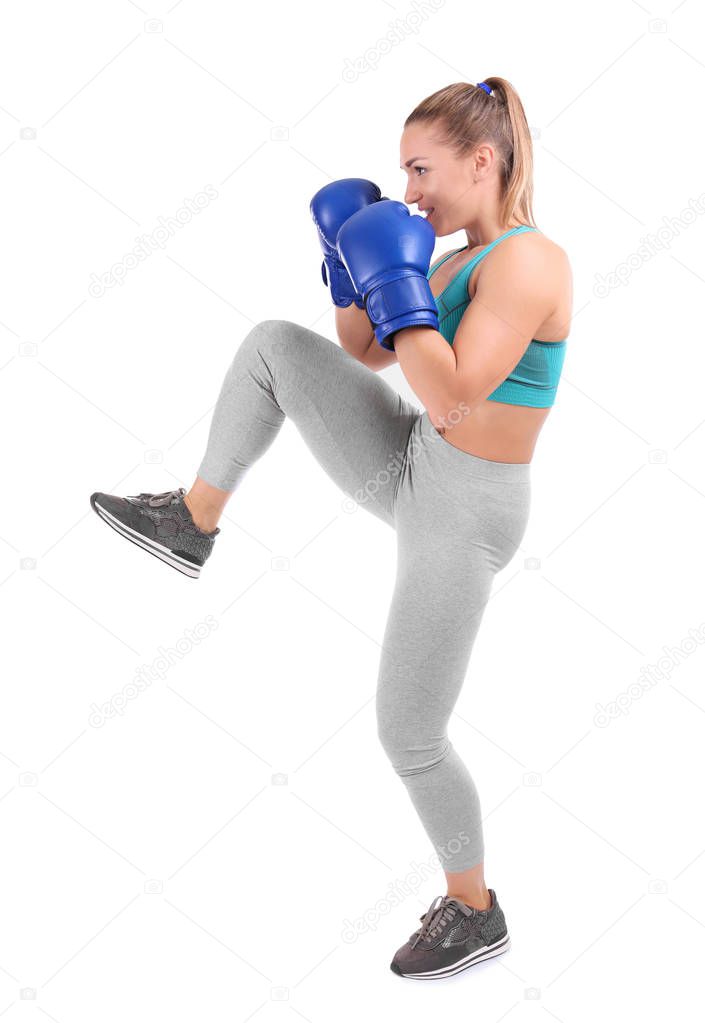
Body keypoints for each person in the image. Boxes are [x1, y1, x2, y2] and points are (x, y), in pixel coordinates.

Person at [90, 77, 572, 981]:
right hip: (411, 462)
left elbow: (459, 400)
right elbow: (363, 349)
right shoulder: (451, 258)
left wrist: (395, 275)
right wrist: (349, 267)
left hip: (467, 506)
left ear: (482, 160)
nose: (412, 189)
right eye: (402, 172)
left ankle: (474, 907)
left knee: (408, 731)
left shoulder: (529, 262)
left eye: (422, 169)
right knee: (277, 343)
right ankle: (195, 518)